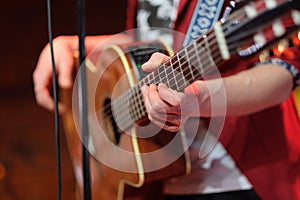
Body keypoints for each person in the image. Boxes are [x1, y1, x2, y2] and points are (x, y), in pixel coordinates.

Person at [33, 0, 300, 199]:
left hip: (237, 177)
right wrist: (76, 45)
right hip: (161, 181)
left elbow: (284, 71)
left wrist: (196, 99)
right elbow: (155, 41)